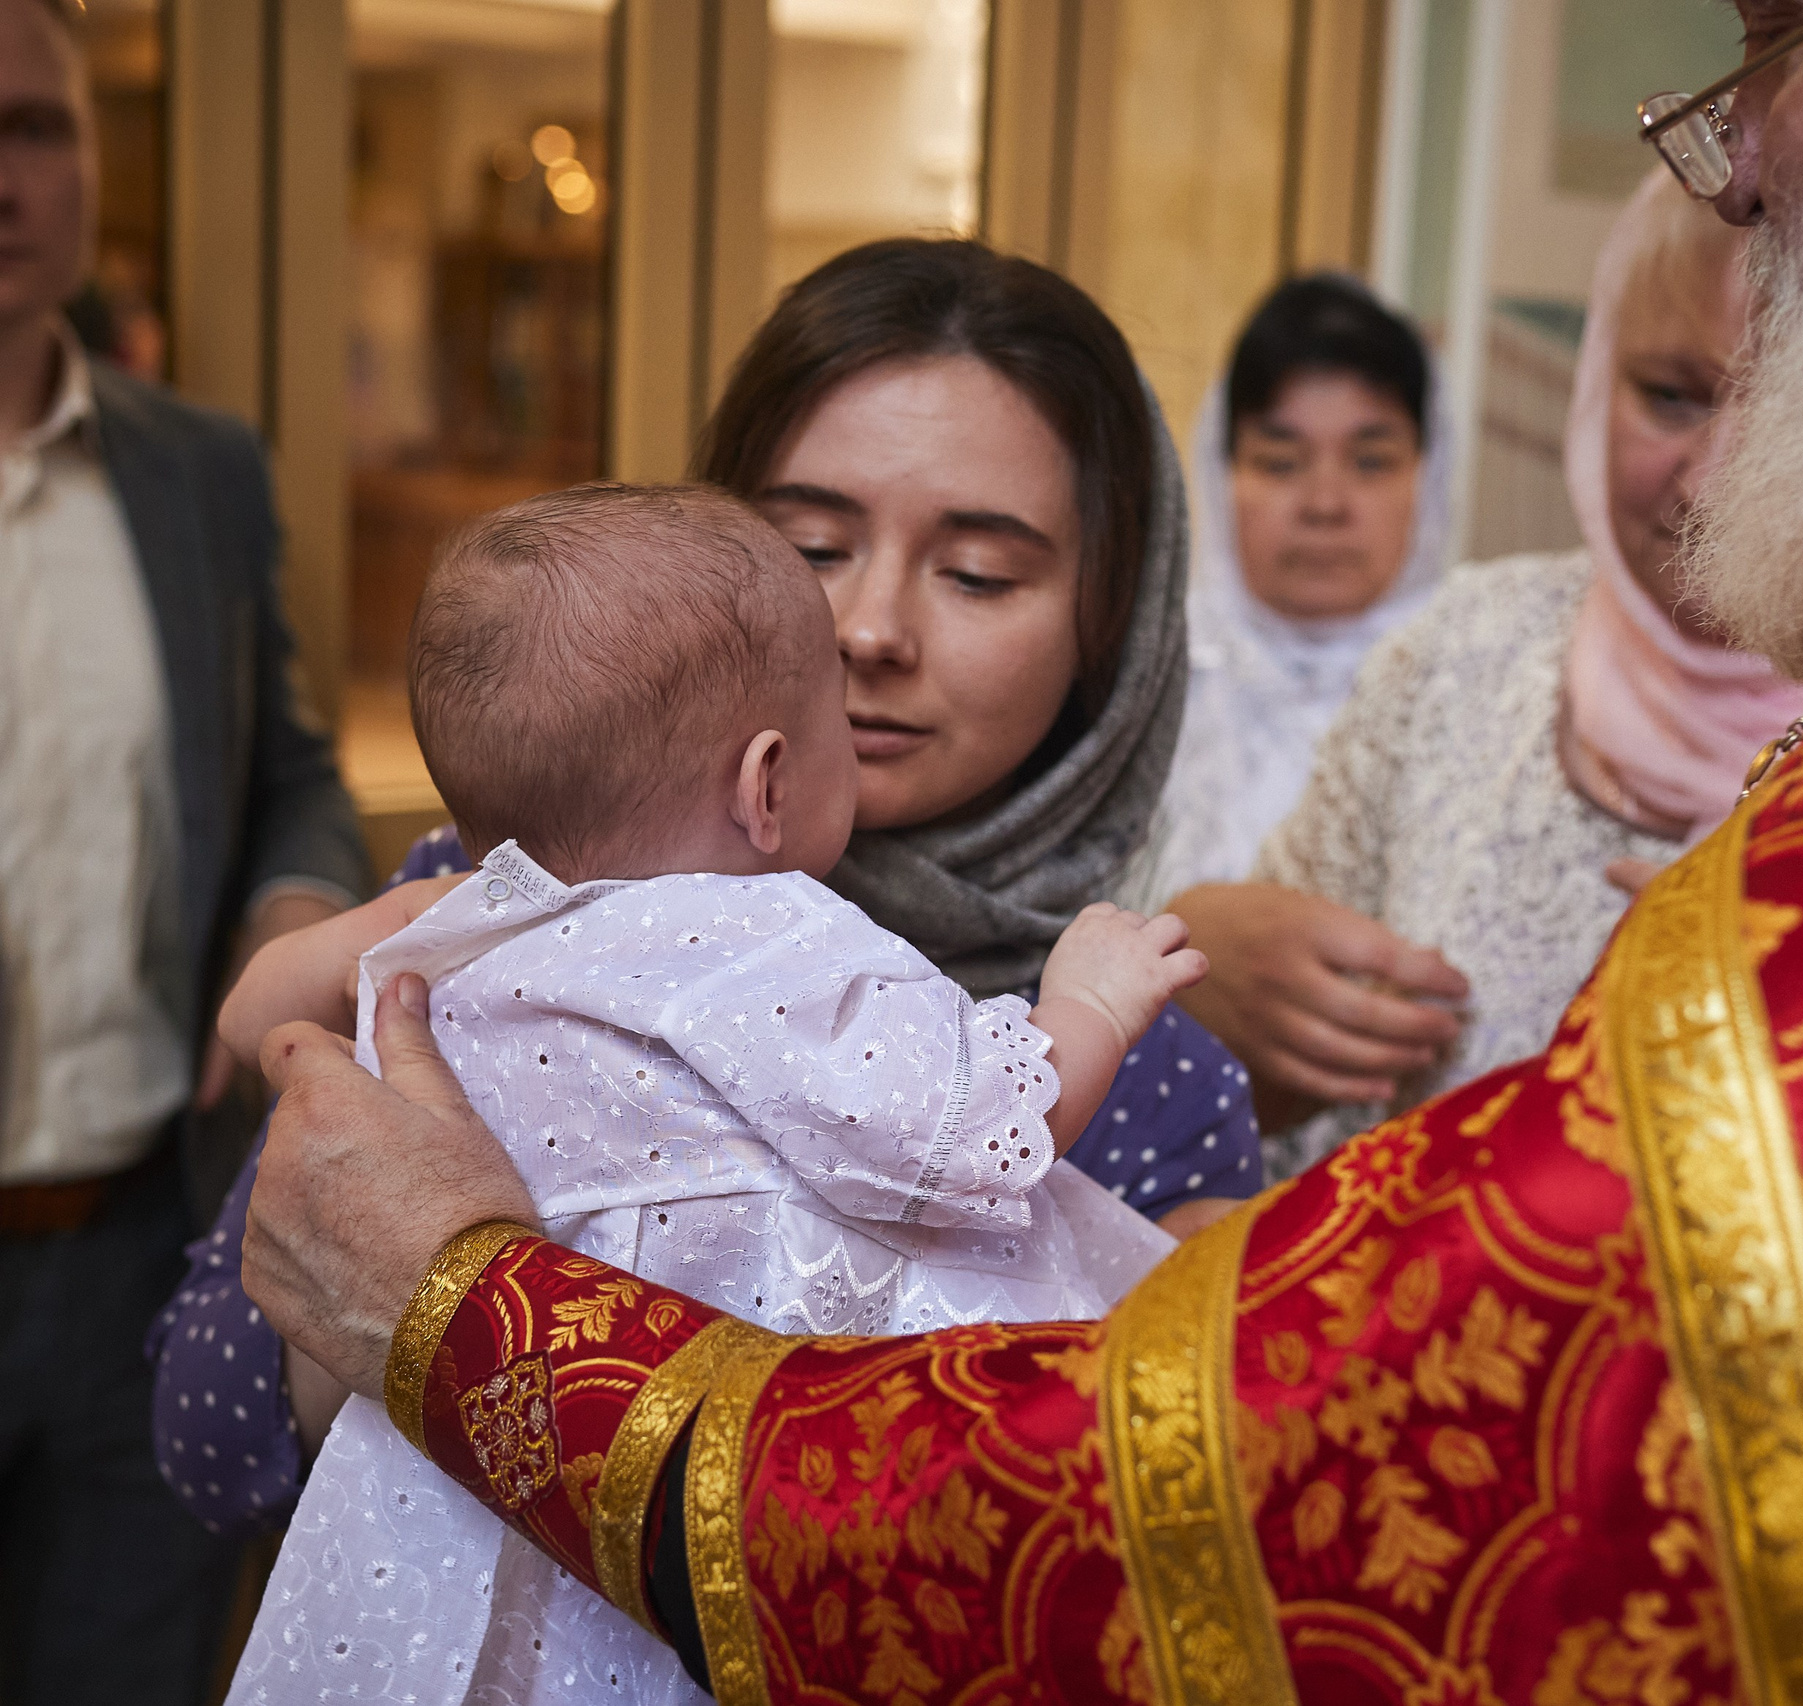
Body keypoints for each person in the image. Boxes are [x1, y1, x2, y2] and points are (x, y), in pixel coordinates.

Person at [237, 1, 1803, 1702]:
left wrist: (476, 1306)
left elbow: (1259, 1486)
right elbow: (218, 1401)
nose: (1737, 161)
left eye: (1774, 40)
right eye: (805, 538)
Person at [149, 240, 1260, 1541]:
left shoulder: (1139, 1070)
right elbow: (204, 1431)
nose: (868, 630)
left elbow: (1085, 1562)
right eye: (807, 546)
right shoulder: (495, 916)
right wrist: (416, 1274)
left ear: (1109, 632)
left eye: (977, 573)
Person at [220, 484, 1198, 1704]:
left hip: (481, 1473)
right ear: (766, 783)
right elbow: (964, 1136)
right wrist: (1088, 1005)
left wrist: (405, 924)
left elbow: (257, 1017)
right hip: (727, 1504)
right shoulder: (773, 934)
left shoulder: (463, 924)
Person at [0, 4, 367, 1703]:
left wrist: (298, 902)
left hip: (145, 1245)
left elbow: (287, 769)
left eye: (34, 127)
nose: (4, 177)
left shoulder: (199, 474)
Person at [1175, 176, 1803, 1171]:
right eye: (1669, 396)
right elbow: (1254, 1078)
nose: (1712, 477)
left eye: (1790, 402)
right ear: (1599, 383)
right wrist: (1195, 975)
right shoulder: (1462, 647)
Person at [1126, 274, 1449, 912]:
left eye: (1370, 462)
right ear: (1222, 476)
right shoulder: (1142, 686)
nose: (1325, 505)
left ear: (1428, 477)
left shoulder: (1480, 687)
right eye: (1280, 462)